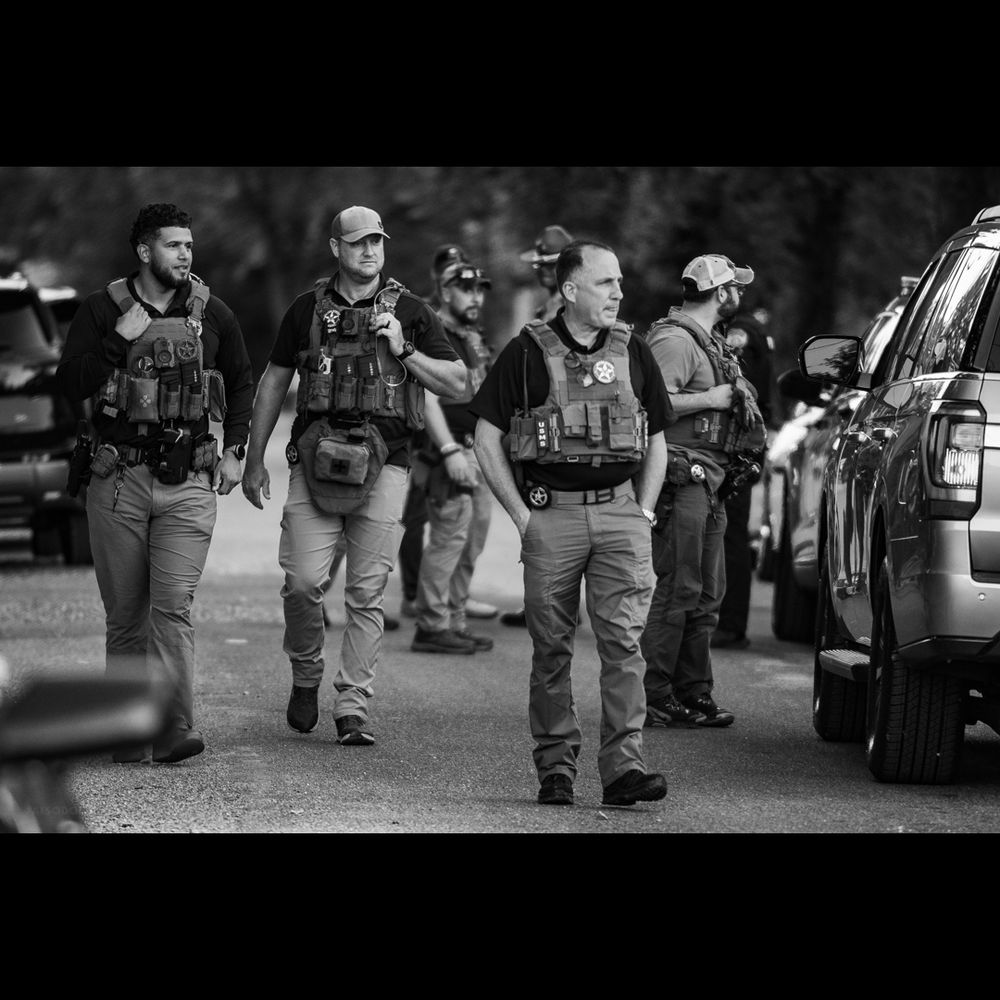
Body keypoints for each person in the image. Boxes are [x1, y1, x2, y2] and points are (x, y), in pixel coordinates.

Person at [241, 205, 465, 746]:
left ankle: (351, 705)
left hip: (385, 461)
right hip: (314, 460)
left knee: (367, 593)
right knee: (301, 583)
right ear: (336, 249)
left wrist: (403, 348)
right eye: (359, 242)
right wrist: (253, 458)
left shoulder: (410, 311)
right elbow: (274, 382)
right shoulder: (305, 310)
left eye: (377, 242)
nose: (370, 251)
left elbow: (457, 382)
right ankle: (306, 673)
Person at [471, 239, 671, 808]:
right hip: (550, 518)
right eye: (606, 282)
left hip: (620, 513)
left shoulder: (634, 350)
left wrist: (645, 509)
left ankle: (623, 769)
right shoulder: (526, 353)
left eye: (619, 281)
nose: (618, 292)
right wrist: (520, 516)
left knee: (624, 646)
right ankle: (555, 768)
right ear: (570, 290)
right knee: (551, 649)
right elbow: (485, 437)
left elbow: (656, 438)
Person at [56, 202, 254, 763]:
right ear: (145, 251)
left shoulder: (211, 311)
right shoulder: (102, 309)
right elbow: (70, 383)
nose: (185, 254)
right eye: (173, 245)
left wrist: (236, 450)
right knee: (126, 618)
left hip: (189, 481)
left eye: (189, 245)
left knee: (172, 608)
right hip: (117, 478)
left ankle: (171, 727)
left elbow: (241, 382)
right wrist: (117, 342)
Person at [641, 254, 766, 730]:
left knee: (707, 594)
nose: (741, 295)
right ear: (720, 292)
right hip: (680, 474)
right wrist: (713, 399)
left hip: (711, 478)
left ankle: (694, 693)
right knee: (679, 588)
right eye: (736, 287)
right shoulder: (674, 340)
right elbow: (651, 403)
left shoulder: (709, 342)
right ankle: (653, 694)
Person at [397, 244, 498, 623]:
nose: (475, 296)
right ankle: (425, 609)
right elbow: (426, 397)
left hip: (477, 449)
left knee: (467, 538)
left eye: (479, 289)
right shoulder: (431, 327)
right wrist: (449, 449)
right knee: (421, 524)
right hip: (437, 452)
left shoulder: (471, 334)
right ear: (443, 288)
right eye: (465, 288)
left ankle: (451, 613)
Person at [500, 223, 574, 628]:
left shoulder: (568, 307)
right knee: (538, 513)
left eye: (550, 263)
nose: (542, 270)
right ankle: (541, 602)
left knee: (552, 516)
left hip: (561, 429)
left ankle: (550, 606)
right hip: (539, 426)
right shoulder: (546, 306)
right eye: (541, 263)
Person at [713, 311, 773, 649]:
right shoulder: (754, 329)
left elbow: (740, 390)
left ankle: (730, 624)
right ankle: (728, 622)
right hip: (747, 443)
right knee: (730, 534)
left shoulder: (740, 332)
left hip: (737, 444)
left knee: (730, 535)